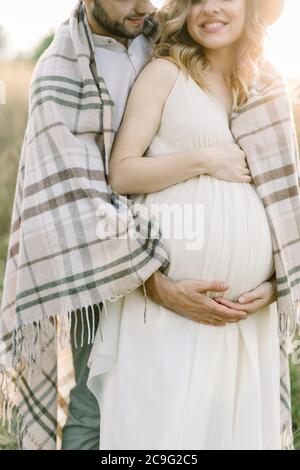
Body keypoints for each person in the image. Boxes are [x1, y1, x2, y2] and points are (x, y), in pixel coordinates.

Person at [0, 0, 273, 450]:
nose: (145, 6)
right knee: (95, 401)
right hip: (95, 255)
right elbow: (80, 197)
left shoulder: (162, 37)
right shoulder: (60, 72)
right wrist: (154, 283)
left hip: (172, 258)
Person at [87, 0, 299, 450]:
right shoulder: (165, 73)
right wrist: (205, 159)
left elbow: (285, 203)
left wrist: (275, 283)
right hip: (163, 311)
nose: (211, 8)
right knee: (159, 441)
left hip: (245, 316)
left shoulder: (266, 86)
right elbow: (122, 172)